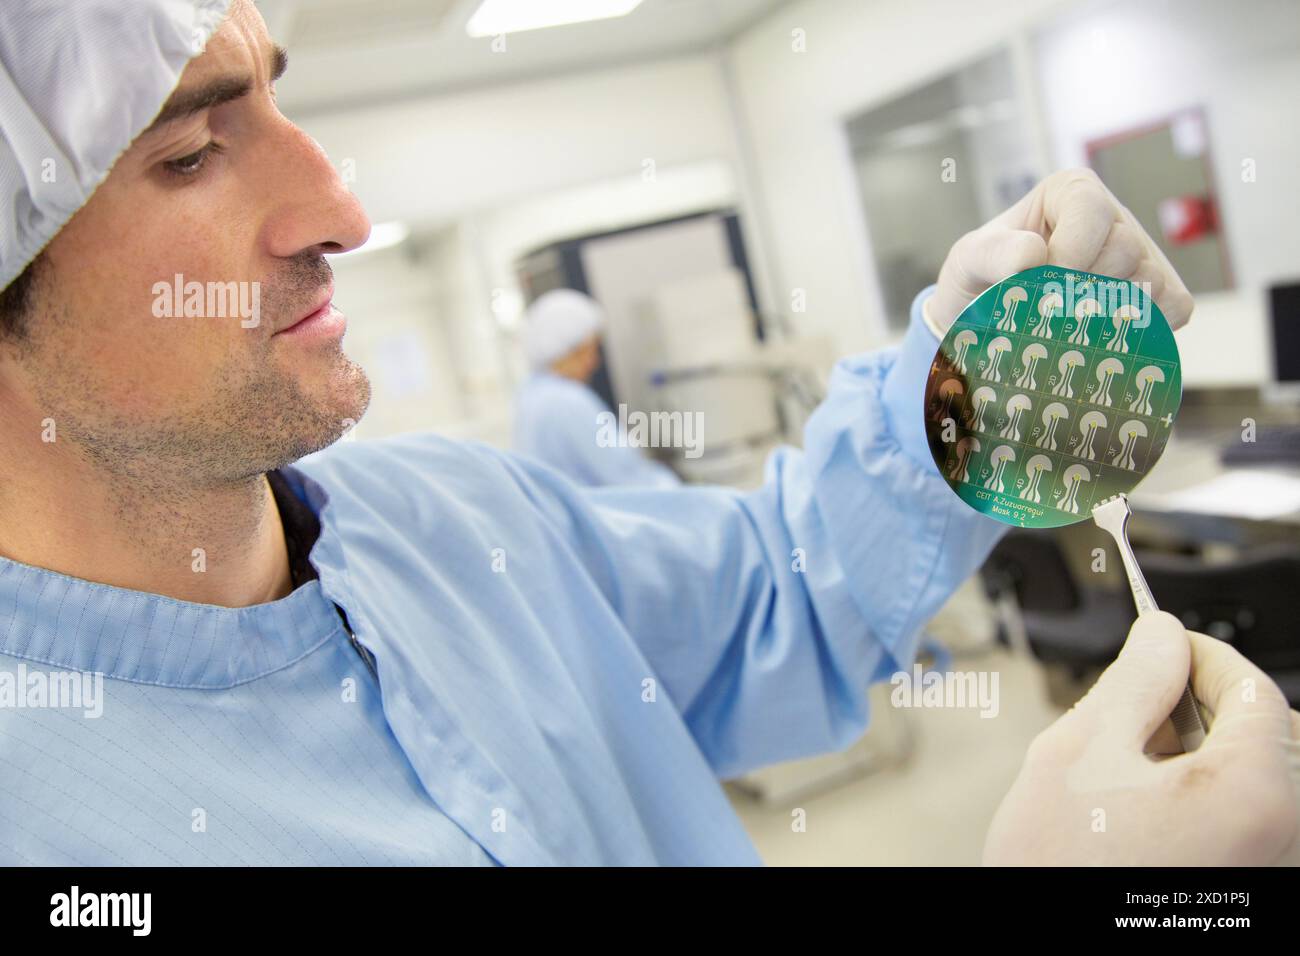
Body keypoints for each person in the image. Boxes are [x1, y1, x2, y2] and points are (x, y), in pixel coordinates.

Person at [0, 0, 1292, 866]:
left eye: (282, 107)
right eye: (186, 154)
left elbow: (784, 588)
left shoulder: (458, 521)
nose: (340, 206)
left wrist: (971, 374)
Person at [512, 288, 680, 488]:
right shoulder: (568, 401)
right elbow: (625, 476)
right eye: (590, 350)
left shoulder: (531, 393)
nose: (594, 362)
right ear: (569, 348)